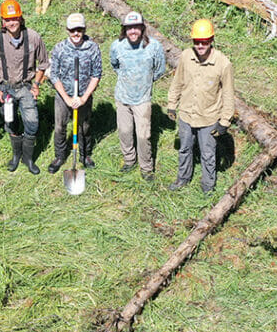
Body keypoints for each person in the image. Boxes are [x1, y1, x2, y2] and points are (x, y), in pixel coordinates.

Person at [165, 19, 235, 194]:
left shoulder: (223, 63)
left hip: (209, 118)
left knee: (208, 154)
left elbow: (228, 94)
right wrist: (172, 104)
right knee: (184, 149)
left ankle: (208, 185)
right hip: (186, 115)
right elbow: (177, 81)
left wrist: (225, 121)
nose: (201, 45)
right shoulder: (185, 57)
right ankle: (183, 178)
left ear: (211, 40)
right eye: (197, 41)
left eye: (204, 41)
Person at [0, 0, 48, 174]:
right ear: (2, 21)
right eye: (7, 19)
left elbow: (43, 63)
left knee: (32, 124)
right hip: (5, 90)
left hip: (25, 87)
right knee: (10, 123)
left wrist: (36, 84)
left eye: (15, 18)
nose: (11, 23)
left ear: (20, 18)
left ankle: (28, 159)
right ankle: (16, 156)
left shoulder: (34, 37)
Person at [109, 11, 166, 182]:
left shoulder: (154, 47)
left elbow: (159, 69)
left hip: (142, 99)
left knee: (143, 136)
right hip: (122, 97)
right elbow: (115, 65)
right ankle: (129, 160)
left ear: (142, 28)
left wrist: (146, 82)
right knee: (125, 132)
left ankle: (146, 168)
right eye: (129, 28)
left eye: (136, 27)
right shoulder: (117, 46)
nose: (133, 31)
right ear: (124, 29)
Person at [47, 12, 102, 173]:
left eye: (79, 29)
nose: (76, 33)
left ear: (84, 29)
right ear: (67, 30)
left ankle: (85, 155)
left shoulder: (92, 48)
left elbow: (96, 74)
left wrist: (84, 98)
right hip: (63, 96)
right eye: (72, 30)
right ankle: (59, 156)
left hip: (84, 96)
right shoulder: (60, 48)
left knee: (84, 127)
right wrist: (67, 98)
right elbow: (54, 75)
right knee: (60, 127)